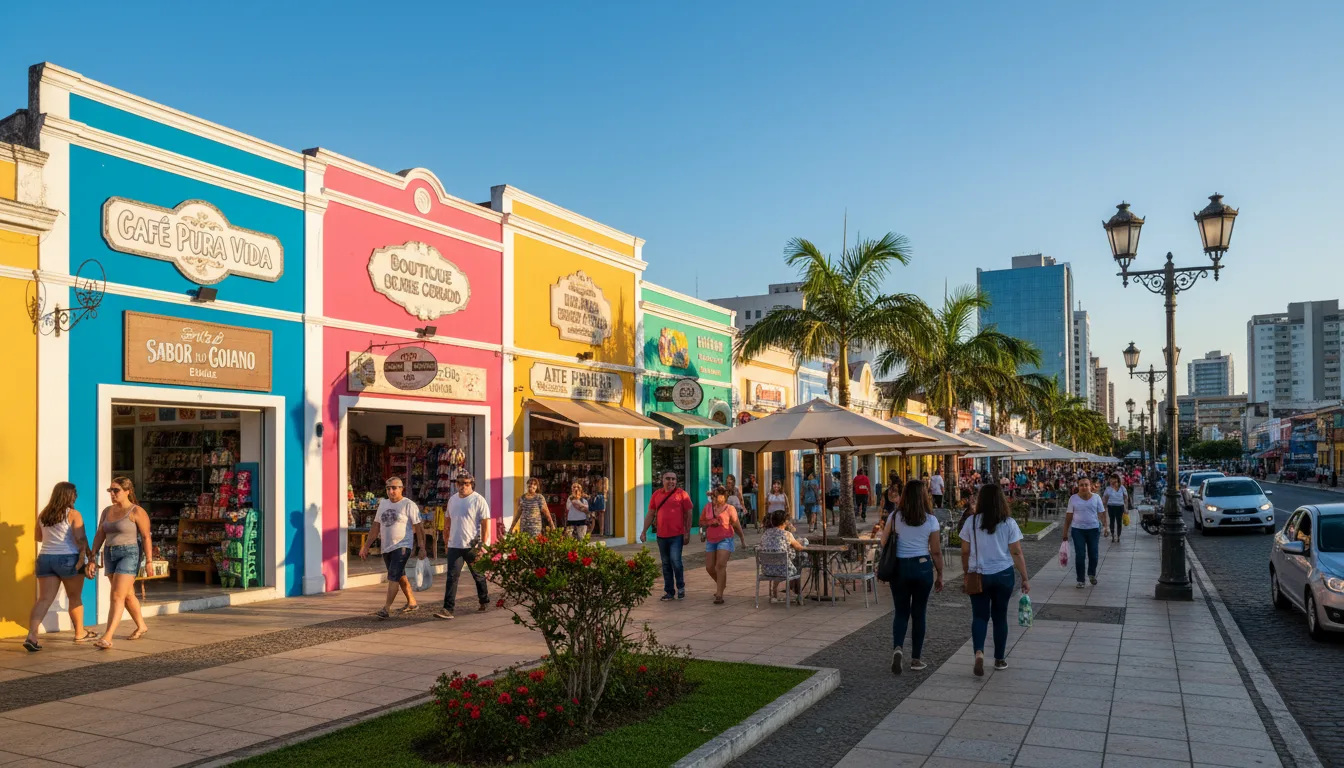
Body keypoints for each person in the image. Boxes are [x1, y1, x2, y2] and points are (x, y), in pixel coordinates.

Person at [960, 484, 1030, 675]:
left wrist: (966, 572)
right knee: (1000, 618)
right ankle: (999, 659)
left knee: (980, 616)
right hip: (1003, 575)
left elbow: (965, 551)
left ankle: (979, 653)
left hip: (978, 574)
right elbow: (1016, 552)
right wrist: (1024, 577)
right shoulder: (1009, 523)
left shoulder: (971, 522)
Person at [883, 479, 944, 675]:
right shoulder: (931, 520)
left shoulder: (894, 517)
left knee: (901, 612)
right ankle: (916, 659)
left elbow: (884, 541)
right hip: (922, 567)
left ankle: (898, 648)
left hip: (899, 567)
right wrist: (940, 574)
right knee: (919, 613)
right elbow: (936, 551)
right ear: (924, 496)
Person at [24, 482, 93, 652]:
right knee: (74, 597)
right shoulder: (74, 514)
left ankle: (32, 635)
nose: (76, 496)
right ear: (68, 495)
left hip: (45, 558)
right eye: (74, 493)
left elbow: (38, 538)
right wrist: (90, 557)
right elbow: (80, 540)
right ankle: (79, 633)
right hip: (69, 558)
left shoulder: (44, 514)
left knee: (44, 599)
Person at [88, 477, 151, 649]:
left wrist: (149, 562)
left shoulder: (136, 511)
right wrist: (92, 556)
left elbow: (146, 537)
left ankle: (107, 636)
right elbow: (100, 533)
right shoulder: (107, 511)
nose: (112, 494)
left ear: (127, 491)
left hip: (129, 553)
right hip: (110, 553)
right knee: (127, 594)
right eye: (110, 490)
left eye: (116, 490)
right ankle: (142, 625)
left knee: (116, 595)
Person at [360, 476, 426, 618]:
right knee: (399, 575)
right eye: (388, 488)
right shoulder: (383, 504)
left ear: (401, 489)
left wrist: (422, 546)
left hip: (402, 546)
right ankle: (412, 602)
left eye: (394, 488)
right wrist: (366, 546)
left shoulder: (408, 504)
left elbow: (419, 527)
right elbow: (376, 526)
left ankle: (386, 608)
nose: (391, 491)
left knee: (393, 577)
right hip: (387, 547)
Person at [434, 472, 492, 620]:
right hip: (455, 545)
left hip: (472, 545)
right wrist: (446, 541)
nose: (463, 486)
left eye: (466, 483)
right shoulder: (452, 500)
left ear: (471, 484)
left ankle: (484, 600)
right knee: (452, 577)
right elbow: (447, 521)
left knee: (478, 575)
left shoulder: (478, 500)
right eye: (460, 483)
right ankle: (448, 609)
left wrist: (483, 546)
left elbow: (486, 524)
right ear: (456, 484)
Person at [641, 471, 693, 601]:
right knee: (665, 564)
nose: (671, 481)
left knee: (676, 561)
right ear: (662, 480)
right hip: (661, 536)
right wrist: (643, 531)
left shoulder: (682, 494)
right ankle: (669, 591)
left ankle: (680, 587)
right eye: (668, 479)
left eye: (673, 479)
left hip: (677, 535)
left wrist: (687, 532)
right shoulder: (657, 495)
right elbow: (651, 513)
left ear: (676, 481)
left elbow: (688, 514)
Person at [701, 485, 748, 604]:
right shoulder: (708, 507)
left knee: (720, 565)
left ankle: (719, 594)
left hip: (725, 538)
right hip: (711, 540)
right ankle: (721, 585)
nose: (719, 498)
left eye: (722, 496)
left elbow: (736, 525)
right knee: (709, 567)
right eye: (717, 495)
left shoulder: (729, 508)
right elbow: (701, 521)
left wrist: (742, 539)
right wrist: (710, 523)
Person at [1063, 476, 1104, 588]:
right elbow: (1068, 516)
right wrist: (1065, 532)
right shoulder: (1073, 499)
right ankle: (1080, 580)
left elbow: (1102, 513)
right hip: (1078, 530)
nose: (1084, 487)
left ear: (1090, 486)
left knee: (1093, 554)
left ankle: (1091, 574)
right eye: (1081, 485)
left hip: (1093, 530)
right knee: (1080, 555)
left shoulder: (1096, 498)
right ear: (1078, 486)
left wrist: (1107, 527)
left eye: (1086, 484)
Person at [759, 509, 805, 603]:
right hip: (784, 570)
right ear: (785, 522)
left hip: (767, 570)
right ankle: (796, 593)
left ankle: (775, 593)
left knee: (782, 561)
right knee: (799, 562)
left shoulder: (765, 534)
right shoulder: (787, 534)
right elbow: (799, 547)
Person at [1101, 474, 1128, 544]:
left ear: (1117, 479)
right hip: (1111, 507)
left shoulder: (1122, 488)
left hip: (1120, 506)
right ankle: (1113, 535)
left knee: (1119, 522)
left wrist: (1126, 508)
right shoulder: (1108, 488)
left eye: (1113, 478)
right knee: (1112, 521)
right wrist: (1103, 507)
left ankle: (1118, 536)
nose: (1111, 480)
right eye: (1111, 479)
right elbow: (1104, 499)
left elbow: (1125, 498)